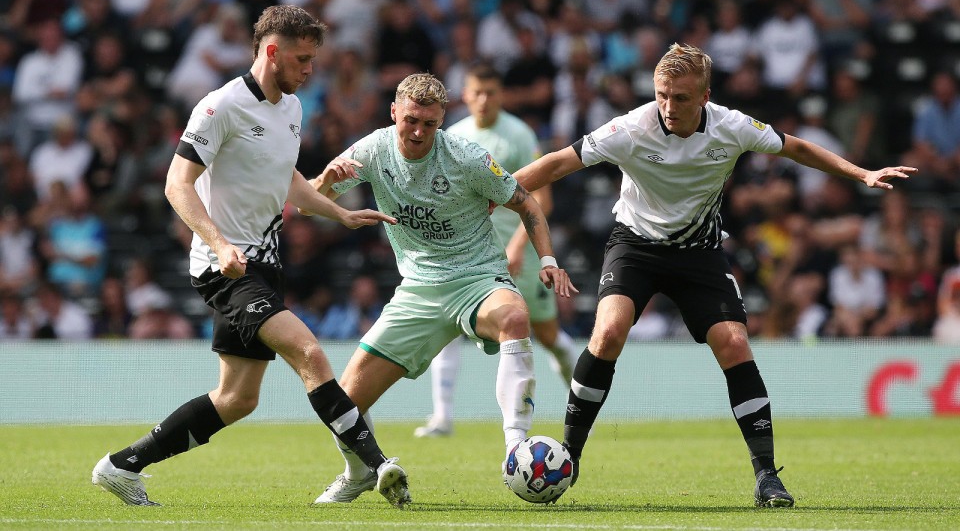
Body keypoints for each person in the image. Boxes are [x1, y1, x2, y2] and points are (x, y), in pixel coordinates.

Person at [511, 43, 917, 508]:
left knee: (736, 344)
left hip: (699, 252)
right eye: (662, 94)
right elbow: (559, 162)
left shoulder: (732, 126)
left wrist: (860, 173)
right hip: (635, 246)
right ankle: (571, 457)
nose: (668, 106)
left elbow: (798, 148)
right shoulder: (630, 128)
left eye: (681, 97)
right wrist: (494, 191)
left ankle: (767, 476)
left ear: (705, 96)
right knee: (606, 333)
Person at [90, 5, 410, 509]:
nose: (310, 70)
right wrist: (219, 244)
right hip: (224, 268)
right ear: (271, 51)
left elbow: (285, 179)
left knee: (238, 398)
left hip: (264, 264)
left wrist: (339, 214)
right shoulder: (220, 107)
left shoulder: (292, 109)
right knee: (310, 352)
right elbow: (177, 184)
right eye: (303, 60)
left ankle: (122, 466)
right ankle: (375, 465)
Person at [300, 72, 576, 504]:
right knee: (343, 399)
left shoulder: (466, 157)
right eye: (410, 120)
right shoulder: (372, 150)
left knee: (515, 316)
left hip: (478, 277)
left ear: (442, 120)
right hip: (419, 289)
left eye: (429, 124)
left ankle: (514, 451)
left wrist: (547, 259)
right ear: (394, 112)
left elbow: (526, 202)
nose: (417, 131)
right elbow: (306, 202)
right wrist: (326, 182)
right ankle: (358, 472)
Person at [413, 62, 580, 438]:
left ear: (501, 95)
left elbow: (542, 199)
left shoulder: (519, 134)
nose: (484, 100)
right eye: (477, 92)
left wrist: (519, 246)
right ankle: (442, 416)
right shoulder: (450, 135)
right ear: (466, 95)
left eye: (491, 92)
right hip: (468, 256)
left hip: (519, 254)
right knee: (450, 328)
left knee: (549, 335)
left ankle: (582, 403)